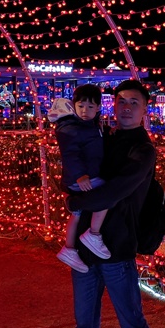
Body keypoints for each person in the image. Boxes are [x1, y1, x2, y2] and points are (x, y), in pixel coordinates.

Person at [52, 79, 156, 328]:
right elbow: (74, 168)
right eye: (120, 101)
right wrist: (67, 184)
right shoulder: (101, 136)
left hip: (117, 251)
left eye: (133, 102)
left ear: (144, 109)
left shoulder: (143, 150)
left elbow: (113, 191)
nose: (125, 107)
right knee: (85, 323)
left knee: (132, 324)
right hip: (85, 252)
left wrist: (74, 201)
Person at [49, 84, 111, 274]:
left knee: (75, 215)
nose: (85, 111)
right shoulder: (73, 129)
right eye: (81, 106)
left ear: (99, 107)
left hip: (78, 179)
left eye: (90, 107)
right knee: (106, 196)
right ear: (73, 106)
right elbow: (70, 154)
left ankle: (69, 248)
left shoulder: (87, 126)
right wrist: (81, 175)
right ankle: (93, 234)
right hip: (82, 179)